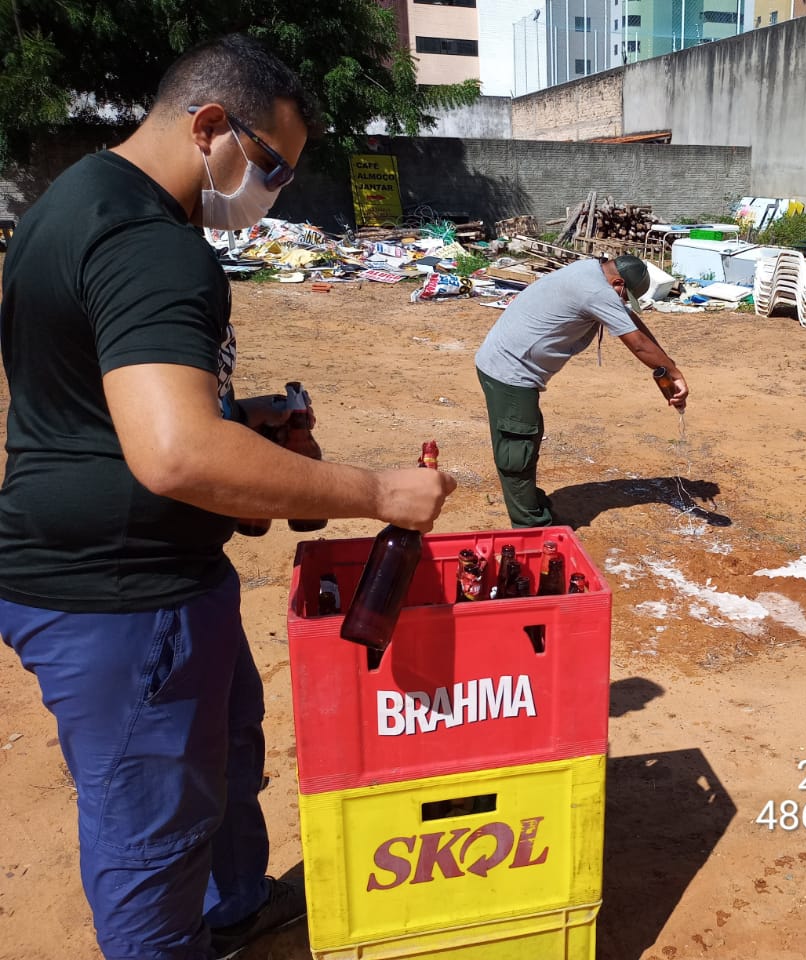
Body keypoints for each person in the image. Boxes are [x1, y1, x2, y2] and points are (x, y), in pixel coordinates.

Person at [0, 35, 456, 960]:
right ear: (210, 128)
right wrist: (377, 493)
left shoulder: (72, 204)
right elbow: (174, 454)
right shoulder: (152, 244)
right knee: (151, 836)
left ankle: (237, 904)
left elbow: (103, 396)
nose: (272, 191)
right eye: (272, 165)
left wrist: (241, 413)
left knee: (223, 759)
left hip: (142, 579)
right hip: (123, 598)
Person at [475, 255, 690, 527]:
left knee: (528, 434)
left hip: (507, 365)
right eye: (624, 297)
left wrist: (668, 366)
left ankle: (530, 502)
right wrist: (675, 373)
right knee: (518, 448)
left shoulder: (591, 271)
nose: (622, 304)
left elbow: (632, 323)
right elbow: (637, 344)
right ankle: (530, 526)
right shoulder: (596, 291)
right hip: (509, 371)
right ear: (618, 282)